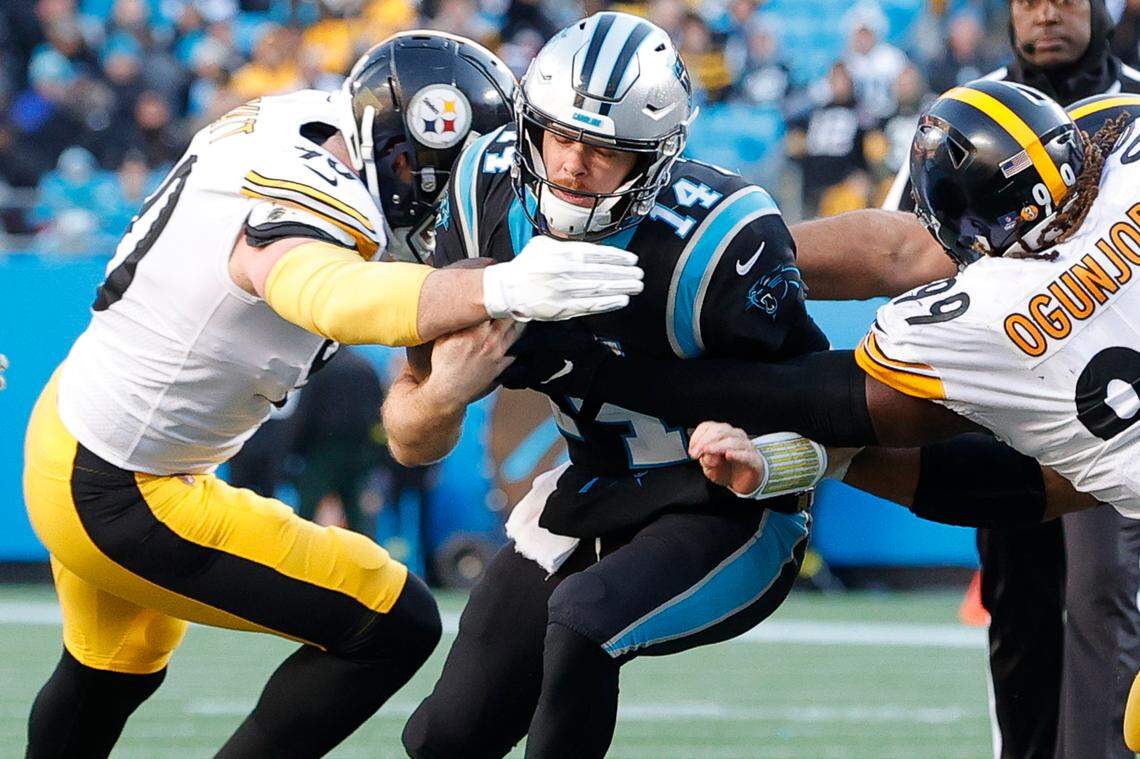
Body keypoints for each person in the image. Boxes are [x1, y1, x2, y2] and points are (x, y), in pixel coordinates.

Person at [21, 32, 643, 759]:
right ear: (392, 147)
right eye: (436, 170)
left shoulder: (310, 118)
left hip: (84, 429)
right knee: (393, 621)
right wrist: (496, 284)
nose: (446, 194)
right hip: (119, 484)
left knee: (111, 667)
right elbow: (319, 288)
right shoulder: (316, 191)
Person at [502, 81, 1140, 756]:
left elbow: (831, 393)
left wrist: (605, 367)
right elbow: (1046, 484)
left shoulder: (989, 313)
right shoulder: (1124, 156)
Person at [386, 14, 829, 757]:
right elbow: (408, 428)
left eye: (603, 150)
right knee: (444, 736)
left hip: (724, 507)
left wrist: (762, 461)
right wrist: (442, 393)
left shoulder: (722, 239)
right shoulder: (483, 185)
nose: (570, 165)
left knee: (585, 621)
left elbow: (832, 421)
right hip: (593, 486)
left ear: (654, 159)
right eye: (559, 136)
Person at [879, 2, 1140, 754]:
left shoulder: (1132, 102)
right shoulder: (959, 115)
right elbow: (908, 243)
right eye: (1028, 1)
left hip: (1112, 400)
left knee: (1103, 595)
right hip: (1008, 396)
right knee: (1018, 604)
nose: (1046, 14)